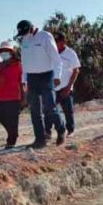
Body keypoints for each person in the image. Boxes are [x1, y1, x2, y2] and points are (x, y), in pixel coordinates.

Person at [15, 20, 65, 149]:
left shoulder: (45, 36)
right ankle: (40, 139)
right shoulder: (24, 41)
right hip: (32, 78)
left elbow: (56, 59)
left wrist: (57, 76)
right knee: (35, 111)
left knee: (50, 107)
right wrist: (23, 80)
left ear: (31, 28)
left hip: (46, 76)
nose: (24, 36)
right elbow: (24, 63)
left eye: (25, 33)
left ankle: (61, 129)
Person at [45, 32, 81, 137]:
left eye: (58, 42)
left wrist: (69, 87)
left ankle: (70, 130)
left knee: (68, 111)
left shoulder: (70, 53)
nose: (56, 44)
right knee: (49, 110)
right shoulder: (51, 53)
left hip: (66, 87)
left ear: (63, 42)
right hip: (52, 87)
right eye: (54, 42)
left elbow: (76, 71)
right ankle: (47, 131)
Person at [0, 40, 23, 149]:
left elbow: (22, 82)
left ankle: (11, 140)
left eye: (6, 51)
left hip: (14, 96)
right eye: (2, 51)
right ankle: (13, 133)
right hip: (0, 96)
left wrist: (24, 97)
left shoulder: (19, 65)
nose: (4, 53)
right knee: (1, 117)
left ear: (11, 52)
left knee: (13, 119)